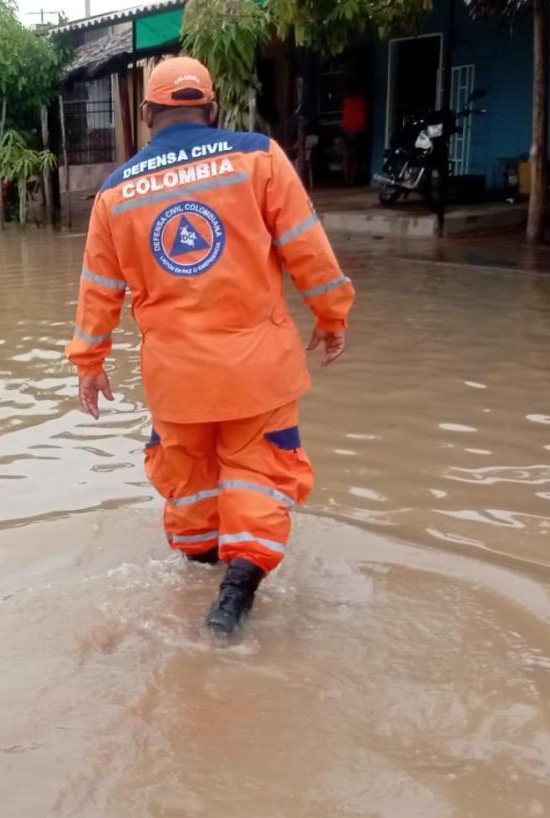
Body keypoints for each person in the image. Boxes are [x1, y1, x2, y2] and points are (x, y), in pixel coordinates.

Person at [66, 58, 355, 634]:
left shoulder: (116, 192)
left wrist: (90, 363)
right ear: (213, 108)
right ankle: (235, 595)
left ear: (148, 114)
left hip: (176, 380)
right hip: (259, 370)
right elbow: (306, 247)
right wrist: (331, 315)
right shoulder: (259, 158)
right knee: (258, 474)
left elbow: (100, 289)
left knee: (190, 477)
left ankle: (199, 571)